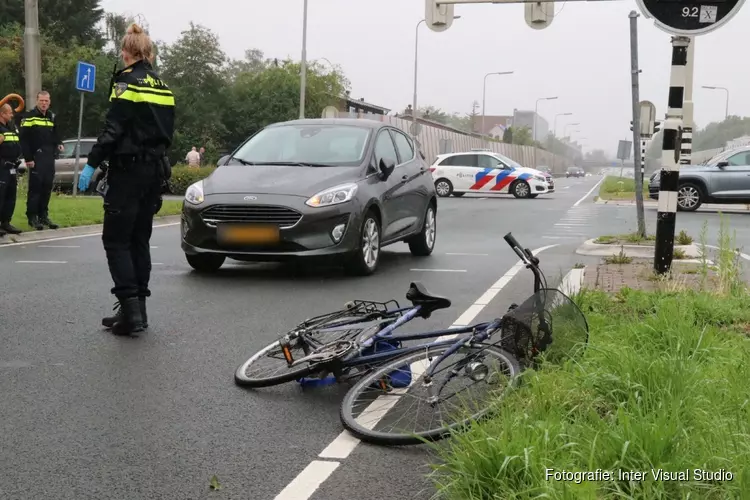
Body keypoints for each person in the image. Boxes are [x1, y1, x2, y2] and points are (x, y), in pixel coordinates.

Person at [78, 23, 175, 336]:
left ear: (127, 52)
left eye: (122, 51)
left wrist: (91, 164)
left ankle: (129, 311)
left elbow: (113, 129)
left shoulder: (126, 82)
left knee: (116, 240)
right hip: (154, 172)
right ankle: (140, 311)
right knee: (138, 240)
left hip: (129, 171)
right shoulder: (163, 86)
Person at [20, 90, 63, 230]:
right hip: (36, 157)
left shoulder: (52, 116)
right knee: (35, 188)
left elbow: (55, 133)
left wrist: (59, 143)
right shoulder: (29, 117)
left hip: (49, 157)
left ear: (49, 102)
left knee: (46, 187)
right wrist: (28, 158)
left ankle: (43, 215)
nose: (44, 103)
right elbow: (24, 139)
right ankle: (32, 217)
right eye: (41, 101)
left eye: (46, 101)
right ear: (37, 101)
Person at [0, 103, 23, 236]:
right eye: (9, 112)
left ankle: (6, 222)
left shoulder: (11, 127)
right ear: (2, 114)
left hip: (12, 166)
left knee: (11, 195)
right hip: (2, 167)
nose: (12, 115)